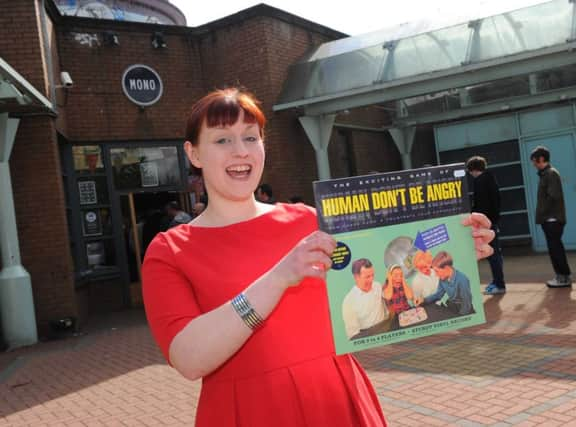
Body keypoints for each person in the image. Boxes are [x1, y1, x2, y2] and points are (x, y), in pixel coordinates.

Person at [142, 88, 495, 426]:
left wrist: (455, 255)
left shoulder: (310, 221)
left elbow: (380, 288)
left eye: (251, 137)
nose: (241, 151)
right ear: (194, 154)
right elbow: (188, 358)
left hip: (335, 397)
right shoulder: (171, 250)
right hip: (250, 411)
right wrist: (279, 277)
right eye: (222, 140)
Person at [530, 146, 572, 288]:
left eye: (534, 161)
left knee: (555, 249)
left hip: (552, 219)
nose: (533, 164)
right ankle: (561, 276)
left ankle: (563, 277)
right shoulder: (546, 174)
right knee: (554, 248)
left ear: (541, 159)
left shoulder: (550, 174)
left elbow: (553, 196)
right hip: (550, 219)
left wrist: (542, 212)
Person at [466, 156, 506, 295]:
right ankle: (497, 281)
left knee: (492, 253)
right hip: (493, 221)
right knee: (495, 253)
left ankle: (499, 284)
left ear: (473, 170)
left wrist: (474, 217)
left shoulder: (480, 182)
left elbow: (480, 205)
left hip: (485, 223)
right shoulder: (491, 179)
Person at [342, 258, 388, 339]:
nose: (371, 280)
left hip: (386, 328)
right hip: (367, 336)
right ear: (356, 277)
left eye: (372, 275)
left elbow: (388, 299)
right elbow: (353, 335)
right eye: (367, 277)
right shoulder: (349, 301)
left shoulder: (377, 285)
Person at [424, 251, 474, 316]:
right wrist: (424, 300)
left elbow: (466, 302)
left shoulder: (462, 279)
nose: (436, 274)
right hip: (452, 306)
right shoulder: (442, 279)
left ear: (447, 268)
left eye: (437, 271)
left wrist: (461, 317)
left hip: (464, 310)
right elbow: (438, 295)